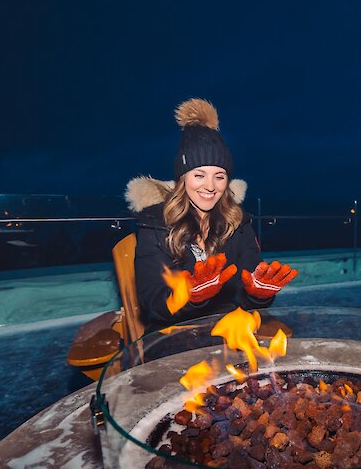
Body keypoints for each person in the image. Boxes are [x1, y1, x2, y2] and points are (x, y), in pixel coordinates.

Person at [126, 98, 297, 331]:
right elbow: (152, 302)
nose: (210, 186)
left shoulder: (238, 223)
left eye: (219, 176)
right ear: (182, 179)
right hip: (174, 333)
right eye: (199, 175)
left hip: (230, 328)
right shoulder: (156, 225)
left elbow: (244, 294)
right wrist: (191, 296)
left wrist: (259, 295)